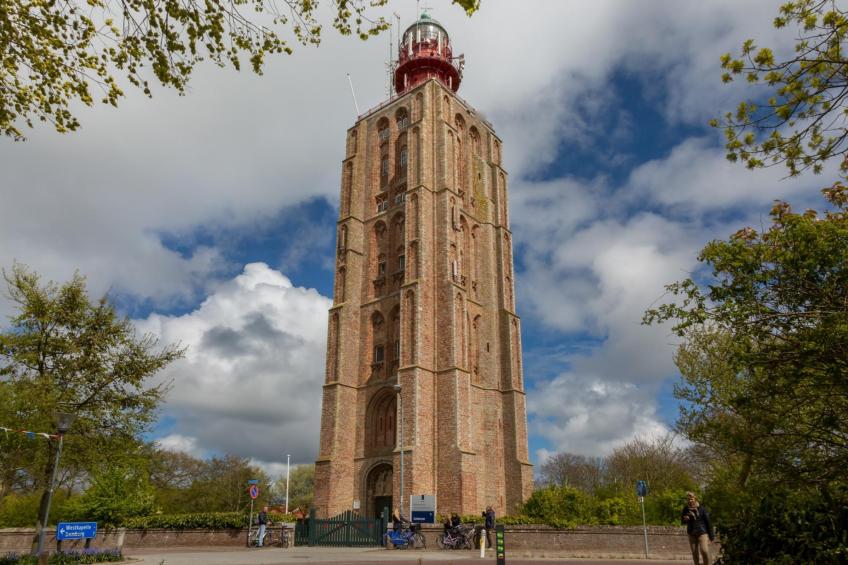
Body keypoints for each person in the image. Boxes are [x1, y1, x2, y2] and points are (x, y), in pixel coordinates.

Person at [681, 492, 713, 565]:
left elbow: (708, 522)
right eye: (688, 499)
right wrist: (685, 519)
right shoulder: (685, 509)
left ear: (695, 499)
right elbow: (682, 521)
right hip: (691, 533)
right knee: (695, 553)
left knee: (704, 550)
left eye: (691, 499)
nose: (690, 501)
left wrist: (711, 536)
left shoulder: (702, 509)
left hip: (702, 532)